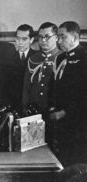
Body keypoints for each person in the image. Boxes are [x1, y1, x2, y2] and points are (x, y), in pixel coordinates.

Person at [49, 21, 87, 166]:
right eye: (58, 37)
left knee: (75, 162)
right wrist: (52, 108)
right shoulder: (60, 58)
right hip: (58, 120)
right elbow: (53, 86)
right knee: (60, 159)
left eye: (63, 37)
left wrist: (65, 112)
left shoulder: (84, 58)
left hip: (77, 122)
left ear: (75, 37)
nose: (59, 41)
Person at [22, 22, 61, 114]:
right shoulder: (33, 59)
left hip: (54, 109)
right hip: (34, 109)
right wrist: (24, 107)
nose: (43, 40)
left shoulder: (62, 57)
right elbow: (26, 87)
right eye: (40, 37)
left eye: (47, 37)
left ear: (56, 37)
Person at [10, 24, 39, 110]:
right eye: (18, 38)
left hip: (32, 104)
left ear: (31, 40)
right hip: (13, 103)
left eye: (24, 39)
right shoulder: (9, 57)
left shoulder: (37, 57)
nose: (20, 42)